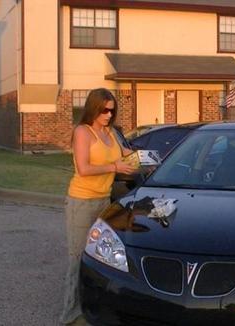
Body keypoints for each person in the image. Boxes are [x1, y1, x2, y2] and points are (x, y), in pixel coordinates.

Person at [60, 88, 136, 326]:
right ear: (93, 108)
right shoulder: (83, 132)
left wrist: (148, 159)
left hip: (104, 200)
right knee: (78, 259)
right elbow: (83, 168)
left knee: (102, 258)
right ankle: (70, 315)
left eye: (112, 111)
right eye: (104, 110)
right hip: (82, 202)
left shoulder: (111, 132)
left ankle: (96, 307)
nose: (108, 115)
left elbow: (128, 155)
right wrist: (115, 167)